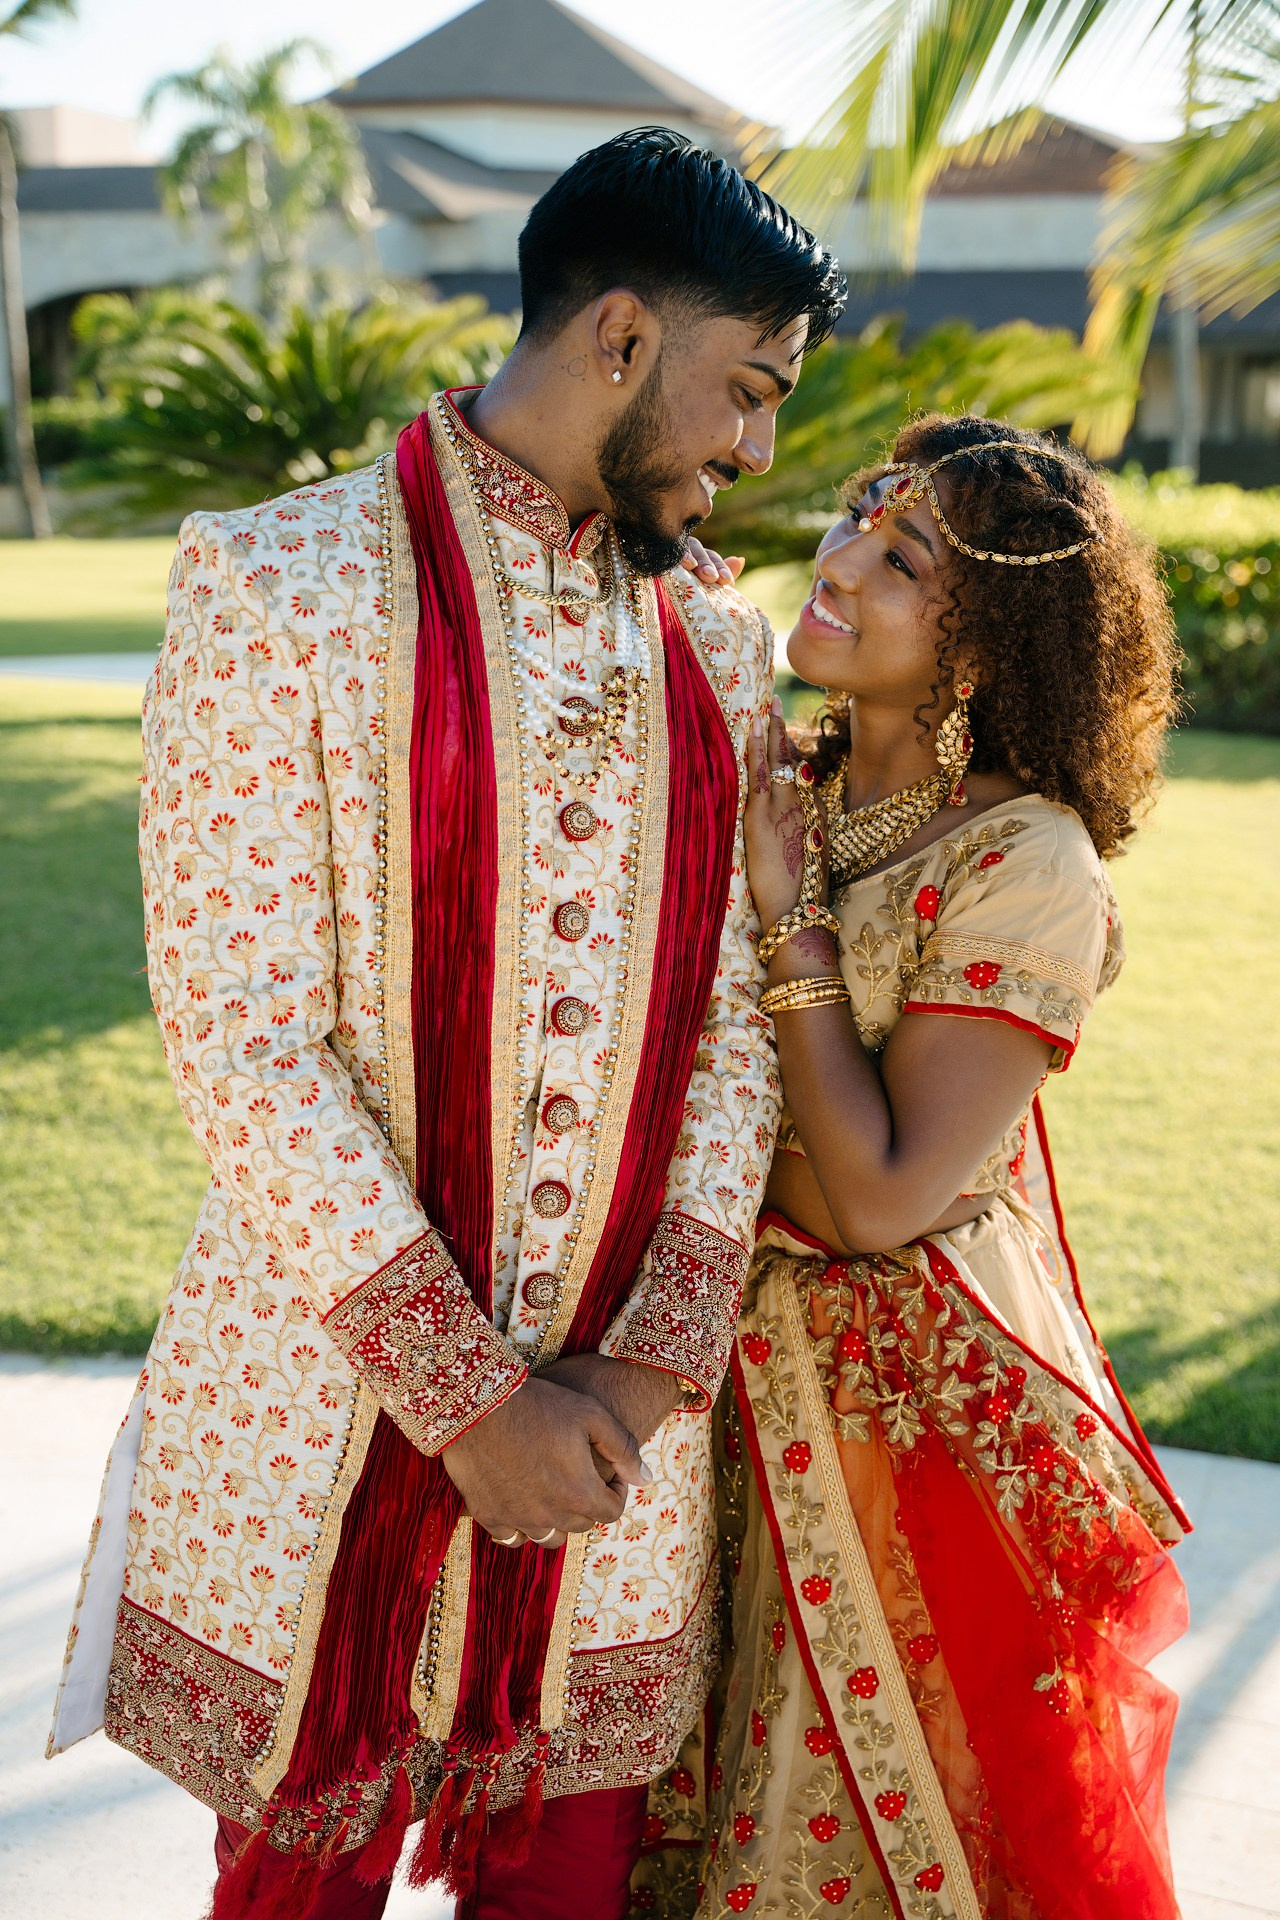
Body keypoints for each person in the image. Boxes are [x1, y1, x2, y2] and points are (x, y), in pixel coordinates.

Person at [46, 127, 846, 1920]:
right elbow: (241, 1033)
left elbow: (730, 1028)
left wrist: (642, 1373)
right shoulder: (279, 582)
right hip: (331, 1424)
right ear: (623, 339)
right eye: (749, 390)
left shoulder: (715, 646)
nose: (757, 451)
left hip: (613, 1456)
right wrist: (469, 1398)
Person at [631, 418, 1192, 1920]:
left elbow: (877, 1200)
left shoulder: (1028, 864)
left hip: (905, 1429)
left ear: (985, 644)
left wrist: (790, 929)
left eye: (902, 558)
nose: (840, 563)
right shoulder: (781, 787)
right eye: (856, 522)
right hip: (709, 1387)